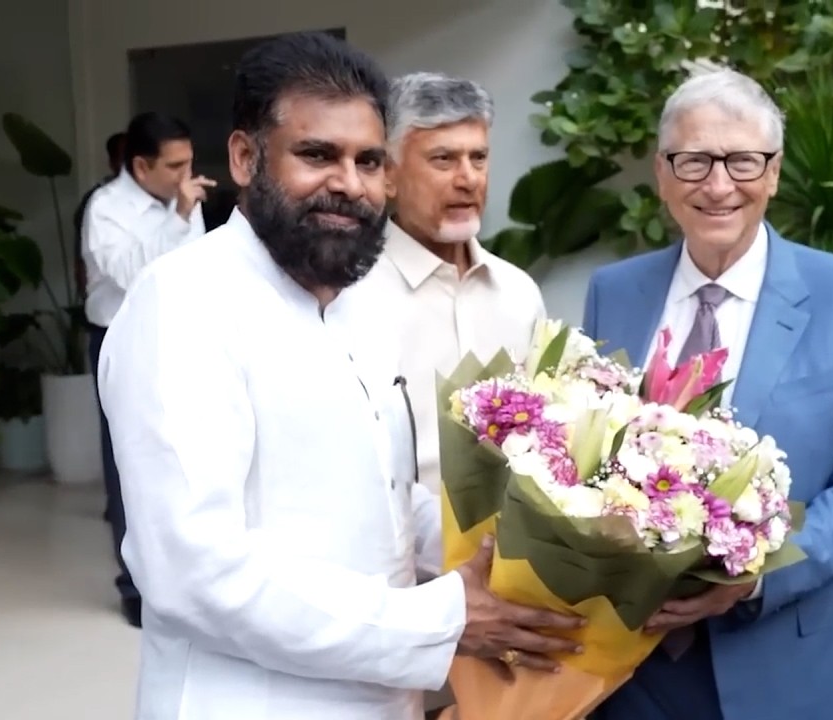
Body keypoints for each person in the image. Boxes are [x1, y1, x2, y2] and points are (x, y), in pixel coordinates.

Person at [95, 31, 583, 720]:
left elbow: (385, 497)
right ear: (244, 157)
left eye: (368, 160)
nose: (348, 184)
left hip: (383, 695)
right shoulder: (182, 304)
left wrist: (510, 556)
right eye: (317, 154)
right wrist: (438, 620)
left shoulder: (352, 301)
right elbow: (192, 573)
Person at [581, 69, 833, 720]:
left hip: (779, 657)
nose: (717, 185)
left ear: (773, 172)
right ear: (661, 172)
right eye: (693, 161)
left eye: (741, 161)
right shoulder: (613, 292)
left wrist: (755, 576)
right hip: (626, 668)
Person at [340, 70, 546, 719]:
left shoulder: (519, 294)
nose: (467, 178)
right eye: (443, 159)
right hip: (397, 602)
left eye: (478, 157)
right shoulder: (349, 298)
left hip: (516, 600)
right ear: (391, 174)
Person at [81, 111, 215, 628]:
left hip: (179, 337)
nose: (186, 176)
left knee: (186, 456)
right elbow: (132, 273)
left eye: (188, 164)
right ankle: (134, 588)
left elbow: (195, 264)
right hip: (119, 339)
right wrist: (180, 216)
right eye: (174, 166)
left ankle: (185, 575)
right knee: (127, 462)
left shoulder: (177, 201)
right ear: (140, 165)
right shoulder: (106, 208)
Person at [73, 132, 127, 302]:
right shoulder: (96, 201)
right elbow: (82, 255)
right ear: (112, 163)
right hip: (108, 300)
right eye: (123, 158)